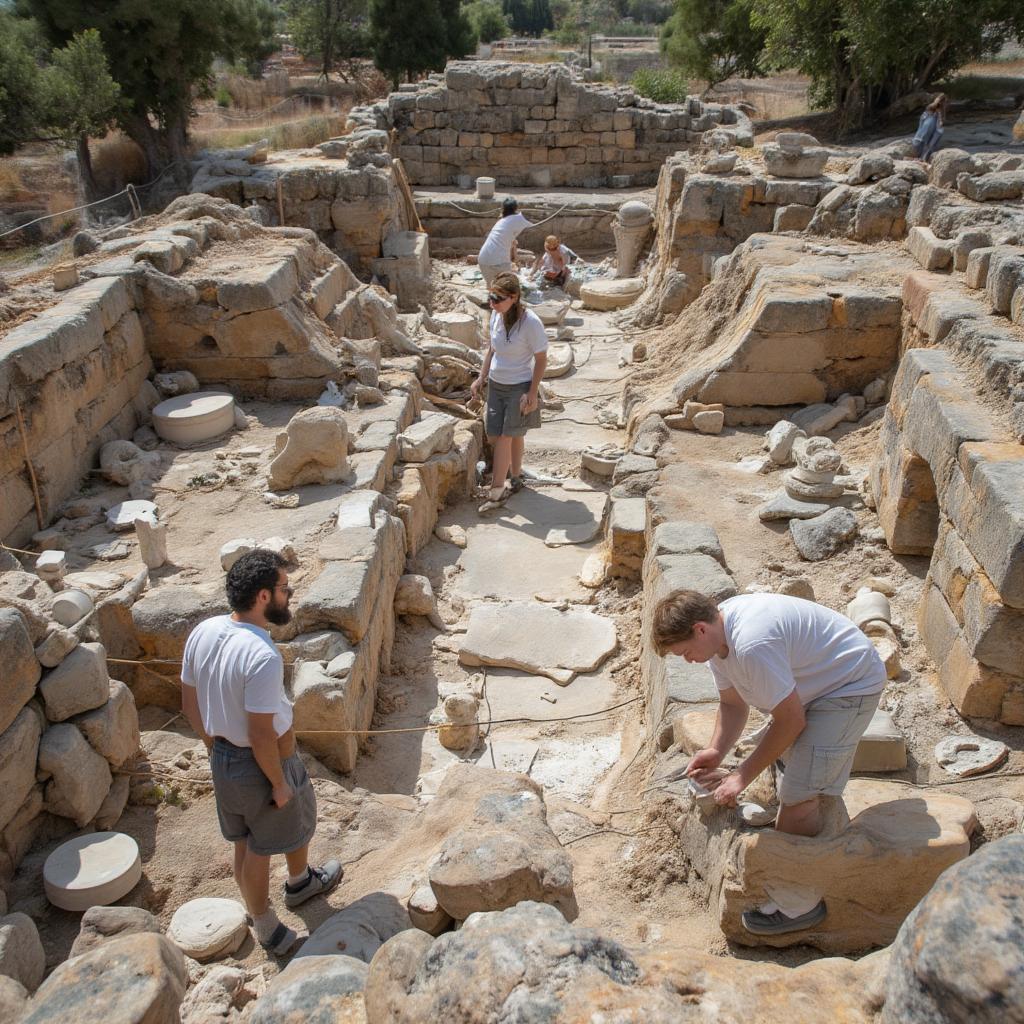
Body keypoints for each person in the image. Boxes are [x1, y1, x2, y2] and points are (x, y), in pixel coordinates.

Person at [651, 589, 886, 937]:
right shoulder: (719, 639)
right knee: (793, 765)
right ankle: (807, 792)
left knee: (799, 800)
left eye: (684, 653)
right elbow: (733, 705)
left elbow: (790, 721)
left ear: (699, 629)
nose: (687, 661)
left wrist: (741, 776)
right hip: (815, 684)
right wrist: (717, 751)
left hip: (849, 686)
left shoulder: (751, 644)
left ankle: (798, 906)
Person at [181, 549, 342, 956]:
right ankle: (266, 925)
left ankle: (301, 881)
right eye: (285, 588)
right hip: (261, 765)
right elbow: (260, 731)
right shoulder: (261, 655)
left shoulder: (204, 630)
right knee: (257, 848)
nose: (291, 595)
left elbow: (189, 700)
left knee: (247, 840)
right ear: (264, 597)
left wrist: (212, 745)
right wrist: (277, 781)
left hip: (225, 758)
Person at [470, 271, 548, 512]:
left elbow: (542, 359)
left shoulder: (531, 323)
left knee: (505, 437)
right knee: (501, 434)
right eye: (490, 297)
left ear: (514, 297)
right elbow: (491, 350)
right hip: (496, 384)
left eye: (498, 298)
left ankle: (496, 492)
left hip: (519, 386)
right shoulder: (496, 315)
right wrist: (481, 378)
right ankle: (515, 477)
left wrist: (532, 393)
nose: (492, 302)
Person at [477, 197, 533, 286]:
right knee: (506, 289)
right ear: (515, 208)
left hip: (483, 259)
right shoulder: (518, 219)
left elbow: (511, 242)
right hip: (499, 261)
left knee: (493, 288)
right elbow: (536, 225)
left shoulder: (501, 222)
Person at [912, 93, 947, 161]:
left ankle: (922, 158)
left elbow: (939, 120)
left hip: (929, 128)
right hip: (930, 127)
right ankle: (923, 158)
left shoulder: (936, 109)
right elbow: (940, 120)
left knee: (926, 143)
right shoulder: (937, 108)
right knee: (928, 144)